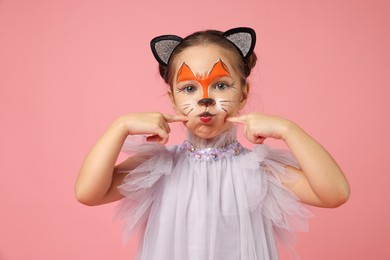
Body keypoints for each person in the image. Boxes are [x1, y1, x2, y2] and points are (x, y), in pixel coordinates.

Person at [75, 27, 350, 260]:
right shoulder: (159, 167)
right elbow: (89, 193)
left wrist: (290, 130)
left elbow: (335, 193)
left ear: (243, 93)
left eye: (220, 85)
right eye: (189, 88)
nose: (204, 99)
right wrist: (119, 127)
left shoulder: (258, 170)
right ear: (172, 98)